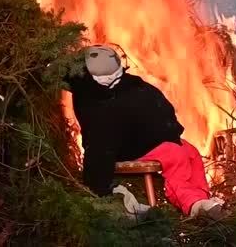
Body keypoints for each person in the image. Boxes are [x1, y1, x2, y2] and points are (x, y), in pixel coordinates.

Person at [63, 44, 227, 219]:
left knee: (191, 152)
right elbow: (100, 145)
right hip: (132, 147)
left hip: (156, 140)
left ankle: (204, 199)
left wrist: (170, 132)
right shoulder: (98, 103)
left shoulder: (130, 86)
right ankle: (193, 204)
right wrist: (98, 188)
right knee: (176, 158)